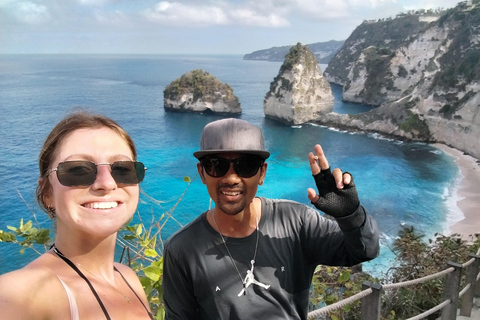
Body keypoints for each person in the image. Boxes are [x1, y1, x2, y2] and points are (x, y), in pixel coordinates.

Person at [163, 118, 380, 320]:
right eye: (216, 165)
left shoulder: (296, 221)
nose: (230, 178)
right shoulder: (182, 249)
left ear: (262, 173)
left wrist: (350, 215)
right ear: (202, 173)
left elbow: (364, 250)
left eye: (246, 165)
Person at [0, 111, 154, 320]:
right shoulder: (22, 295)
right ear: (47, 193)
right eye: (78, 170)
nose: (107, 183)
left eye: (123, 169)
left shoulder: (127, 277)